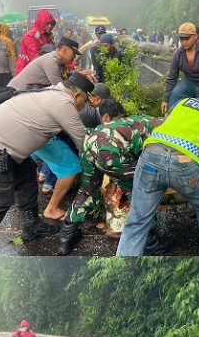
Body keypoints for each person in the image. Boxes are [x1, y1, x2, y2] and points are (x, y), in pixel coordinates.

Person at [0, 72, 93, 256]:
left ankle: (32, 226)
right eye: (85, 102)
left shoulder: (53, 92)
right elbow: (84, 143)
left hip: (3, 143)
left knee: (26, 177)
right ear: (78, 95)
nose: (84, 107)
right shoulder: (64, 103)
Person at [117, 82, 199, 256]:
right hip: (183, 163)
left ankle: (121, 271)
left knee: (137, 220)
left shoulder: (182, 103)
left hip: (150, 155)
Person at [59, 100, 164, 255]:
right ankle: (150, 242)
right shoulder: (159, 127)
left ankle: (65, 238)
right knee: (139, 191)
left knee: (86, 191)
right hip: (111, 150)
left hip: (90, 144)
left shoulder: (134, 121)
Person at [162, 22, 199, 114]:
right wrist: (165, 99)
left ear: (195, 36)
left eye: (187, 38)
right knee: (175, 94)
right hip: (189, 82)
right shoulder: (178, 54)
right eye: (181, 39)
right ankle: (173, 118)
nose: (184, 42)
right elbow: (172, 77)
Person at [8, 37, 81, 91]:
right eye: (73, 53)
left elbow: (62, 76)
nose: (74, 57)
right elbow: (61, 88)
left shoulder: (56, 60)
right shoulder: (51, 61)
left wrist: (79, 74)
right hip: (16, 92)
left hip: (26, 92)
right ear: (64, 51)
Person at [16, 9, 56, 74]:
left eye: (51, 24)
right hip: (26, 71)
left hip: (38, 70)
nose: (50, 26)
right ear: (41, 22)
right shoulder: (30, 36)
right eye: (47, 23)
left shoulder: (46, 35)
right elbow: (35, 57)